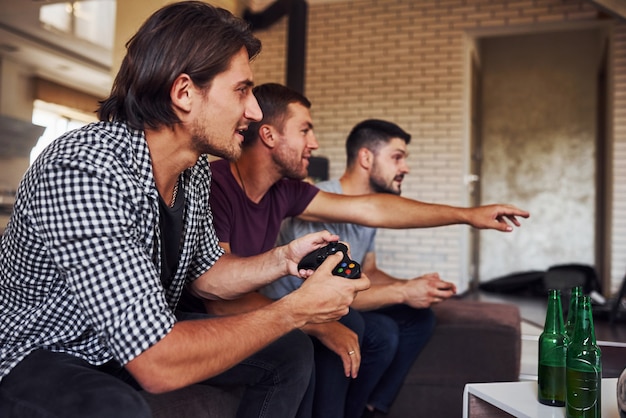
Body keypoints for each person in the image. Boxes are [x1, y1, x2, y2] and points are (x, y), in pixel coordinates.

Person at [0, 4, 370, 418]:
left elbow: (209, 275)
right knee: (116, 408)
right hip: (42, 351)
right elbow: (156, 362)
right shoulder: (85, 167)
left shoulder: (191, 171)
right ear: (184, 93)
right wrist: (297, 309)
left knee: (288, 352)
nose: (254, 111)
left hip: (117, 344)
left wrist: (283, 260)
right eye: (241, 90)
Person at [197, 83, 530, 417]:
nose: (315, 143)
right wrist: (315, 322)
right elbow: (218, 292)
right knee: (323, 337)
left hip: (261, 307)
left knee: (358, 325)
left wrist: (467, 215)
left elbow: (373, 210)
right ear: (269, 136)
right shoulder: (217, 185)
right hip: (211, 318)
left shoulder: (286, 191)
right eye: (305, 130)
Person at [264, 118, 459, 418]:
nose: (405, 167)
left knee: (420, 320)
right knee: (383, 333)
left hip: (339, 301)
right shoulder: (321, 205)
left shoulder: (370, 209)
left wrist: (416, 286)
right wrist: (403, 291)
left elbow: (369, 270)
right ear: (366, 158)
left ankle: (372, 408)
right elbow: (326, 292)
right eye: (397, 157)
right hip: (300, 302)